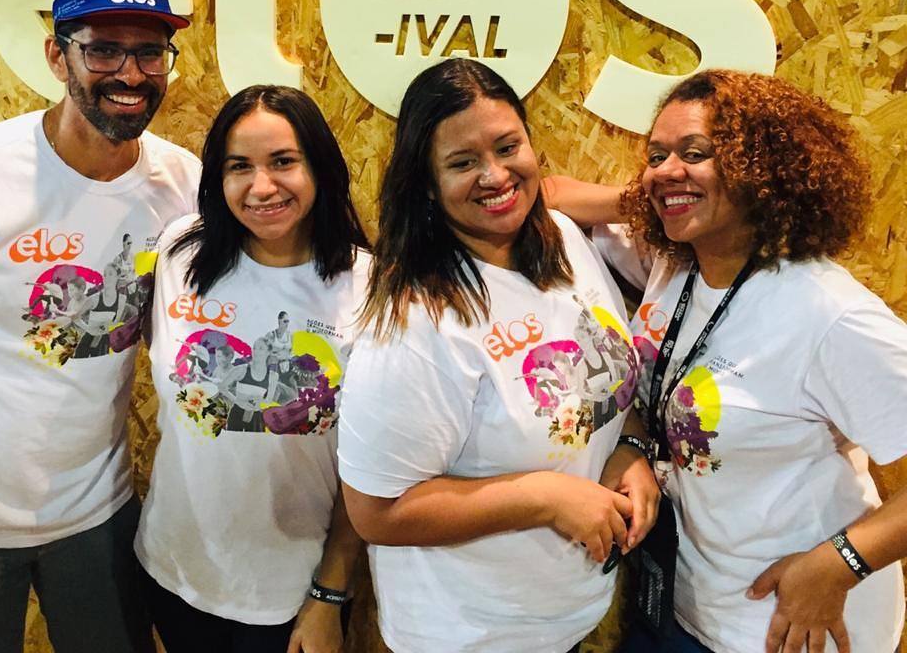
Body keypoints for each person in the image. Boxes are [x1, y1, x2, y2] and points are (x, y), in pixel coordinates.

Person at [545, 69, 907, 653]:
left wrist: (839, 564)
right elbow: (553, 195)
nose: (665, 167)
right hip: (688, 604)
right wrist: (662, 194)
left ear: (762, 169)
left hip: (794, 625)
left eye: (696, 152)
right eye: (656, 155)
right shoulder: (674, 263)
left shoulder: (827, 313)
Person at [337, 59, 660, 653]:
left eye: (508, 147)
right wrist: (545, 498)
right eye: (462, 163)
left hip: (564, 615)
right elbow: (376, 512)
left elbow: (602, 382)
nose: (495, 175)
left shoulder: (564, 241)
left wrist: (631, 450)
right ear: (427, 184)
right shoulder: (415, 321)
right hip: (470, 635)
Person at [0, 0, 200, 653]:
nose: (130, 73)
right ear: (58, 56)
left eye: (150, 52)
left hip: (97, 514)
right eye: (104, 50)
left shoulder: (184, 186)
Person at [135, 84, 369, 653]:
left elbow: (370, 471)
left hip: (292, 595)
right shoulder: (179, 253)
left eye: (283, 161)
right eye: (239, 166)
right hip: (173, 571)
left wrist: (329, 595)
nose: (261, 187)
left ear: (320, 168)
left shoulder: (368, 287)